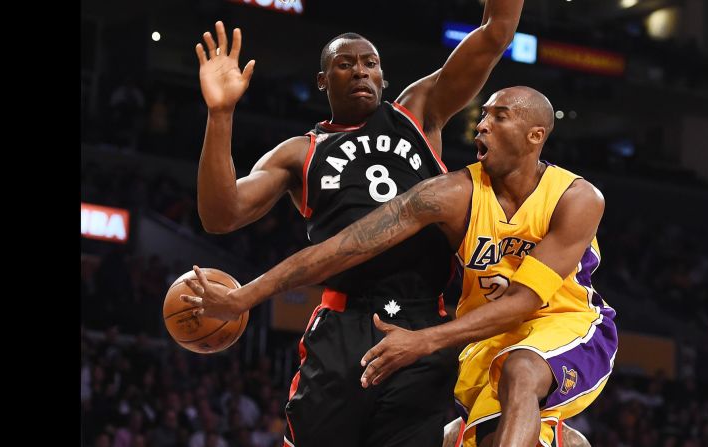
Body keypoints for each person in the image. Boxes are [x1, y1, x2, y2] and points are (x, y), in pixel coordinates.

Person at [183, 86, 616, 447]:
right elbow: (344, 247)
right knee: (473, 436)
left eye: (499, 117)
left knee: (523, 370)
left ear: (535, 135)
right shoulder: (451, 193)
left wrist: (424, 341)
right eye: (481, 116)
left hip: (566, 324)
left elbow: (524, 302)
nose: (481, 125)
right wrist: (245, 296)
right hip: (485, 337)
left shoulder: (577, 198)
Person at [191, 2, 524, 445]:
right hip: (343, 322)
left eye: (371, 63)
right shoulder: (299, 152)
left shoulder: (418, 112)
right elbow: (221, 214)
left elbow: (495, 31)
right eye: (345, 64)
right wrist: (220, 114)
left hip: (422, 319)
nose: (361, 71)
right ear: (323, 81)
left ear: (384, 78)